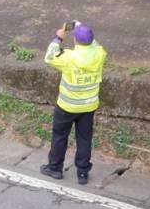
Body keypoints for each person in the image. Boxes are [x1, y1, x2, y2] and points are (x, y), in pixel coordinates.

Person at [40, 21, 106, 184]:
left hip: (67, 106)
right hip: (89, 105)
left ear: (75, 40)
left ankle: (55, 168)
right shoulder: (100, 54)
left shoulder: (69, 57)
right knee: (84, 138)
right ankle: (82, 173)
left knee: (60, 136)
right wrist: (81, 27)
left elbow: (49, 57)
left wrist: (58, 38)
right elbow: (95, 44)